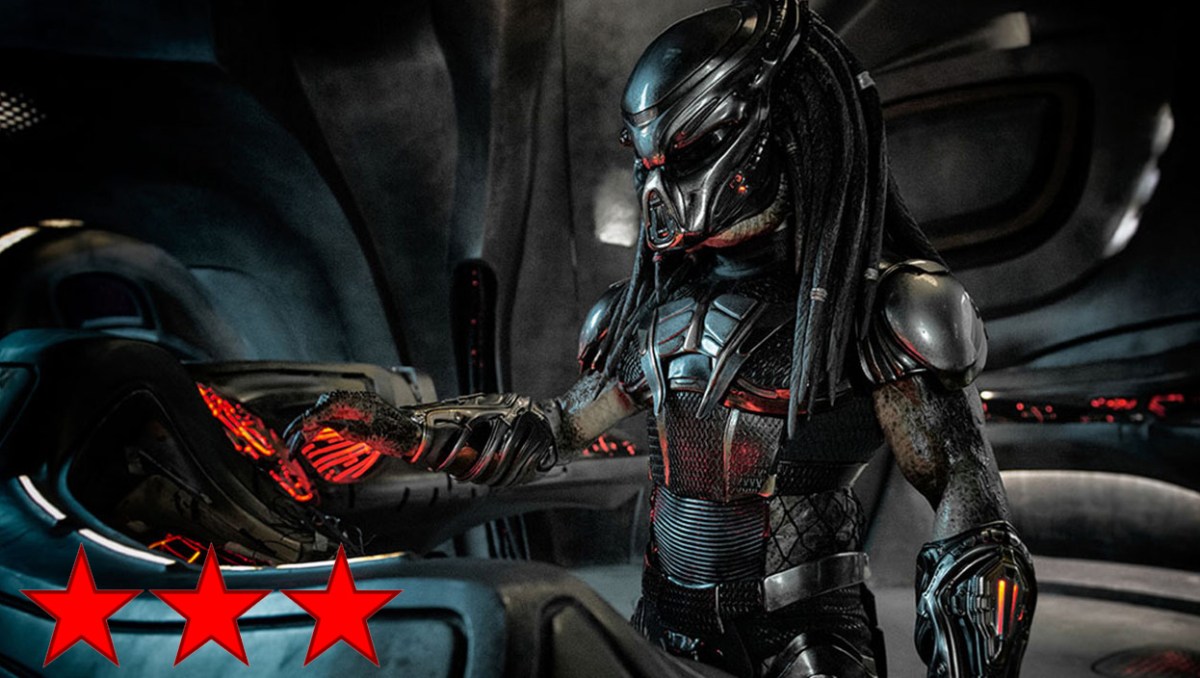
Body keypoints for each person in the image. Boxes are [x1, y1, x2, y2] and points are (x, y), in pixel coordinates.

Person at [285, 1, 1036, 675]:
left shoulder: (884, 307)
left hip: (802, 639)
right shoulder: (648, 312)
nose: (656, 190)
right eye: (645, 161)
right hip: (664, 628)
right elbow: (550, 430)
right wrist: (400, 430)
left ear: (781, 129)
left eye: (686, 152)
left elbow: (970, 514)